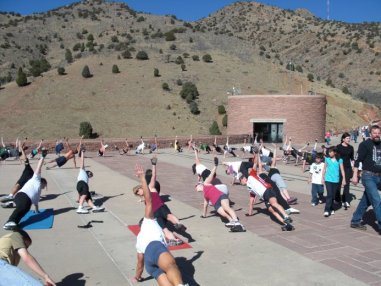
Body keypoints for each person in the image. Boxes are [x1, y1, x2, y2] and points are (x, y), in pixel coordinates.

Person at [132, 163, 187, 285]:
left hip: (149, 264)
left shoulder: (139, 239)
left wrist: (137, 277)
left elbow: (140, 262)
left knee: (166, 227)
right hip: (156, 249)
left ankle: (174, 234)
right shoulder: (149, 221)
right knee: (171, 266)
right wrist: (142, 177)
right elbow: (149, 201)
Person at [133, 157, 185, 245]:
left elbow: (153, 176)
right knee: (164, 229)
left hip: (161, 207)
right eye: (137, 193)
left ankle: (178, 224)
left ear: (141, 188)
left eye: (138, 191)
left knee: (169, 216)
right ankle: (174, 240)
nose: (139, 193)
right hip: (155, 214)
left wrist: (154, 165)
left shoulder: (151, 188)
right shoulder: (145, 199)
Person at [240, 153, 295, 231]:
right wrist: (249, 213)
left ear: (243, 179)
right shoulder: (249, 188)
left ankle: (286, 216)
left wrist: (256, 153)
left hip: (268, 190)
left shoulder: (251, 175)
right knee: (272, 211)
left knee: (274, 204)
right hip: (265, 196)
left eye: (240, 180)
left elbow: (255, 163)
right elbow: (251, 201)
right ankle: (287, 224)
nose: (240, 182)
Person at [195, 157, 245, 232]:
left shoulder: (206, 183)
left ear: (200, 184)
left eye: (196, 186)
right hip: (216, 204)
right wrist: (203, 216)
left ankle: (237, 223)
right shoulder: (205, 195)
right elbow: (205, 206)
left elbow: (211, 174)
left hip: (221, 196)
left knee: (226, 208)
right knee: (222, 212)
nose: (196, 188)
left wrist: (215, 165)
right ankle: (231, 221)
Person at [350, 125, 381, 234]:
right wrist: (355, 175)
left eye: (378, 133)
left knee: (366, 200)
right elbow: (357, 160)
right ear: (370, 134)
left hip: (380, 176)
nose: (377, 135)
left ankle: (355, 220)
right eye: (374, 133)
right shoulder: (365, 144)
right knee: (376, 199)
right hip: (368, 176)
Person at [3, 155, 48, 230]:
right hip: (23, 195)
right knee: (23, 207)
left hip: (26, 200)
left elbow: (36, 203)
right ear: (42, 182)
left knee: (25, 209)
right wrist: (43, 156)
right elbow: (39, 167)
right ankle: (10, 221)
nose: (44, 187)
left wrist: (37, 211)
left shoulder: (38, 192)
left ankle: (14, 221)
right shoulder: (36, 179)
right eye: (45, 185)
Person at [322, 146, 346, 217]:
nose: (329, 153)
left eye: (330, 152)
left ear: (335, 152)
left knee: (333, 195)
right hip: (328, 179)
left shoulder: (340, 160)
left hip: (336, 180)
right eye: (328, 152)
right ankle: (326, 210)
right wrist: (322, 177)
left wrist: (344, 179)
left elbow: (342, 170)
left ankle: (331, 208)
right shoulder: (327, 159)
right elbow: (324, 168)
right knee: (329, 194)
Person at [335, 132, 354, 209]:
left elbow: (352, 158)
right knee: (338, 184)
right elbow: (335, 157)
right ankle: (337, 199)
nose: (349, 139)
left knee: (346, 184)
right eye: (347, 138)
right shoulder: (338, 147)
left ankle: (345, 200)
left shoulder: (351, 148)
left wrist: (353, 167)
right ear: (343, 139)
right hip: (339, 167)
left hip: (347, 168)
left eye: (349, 138)